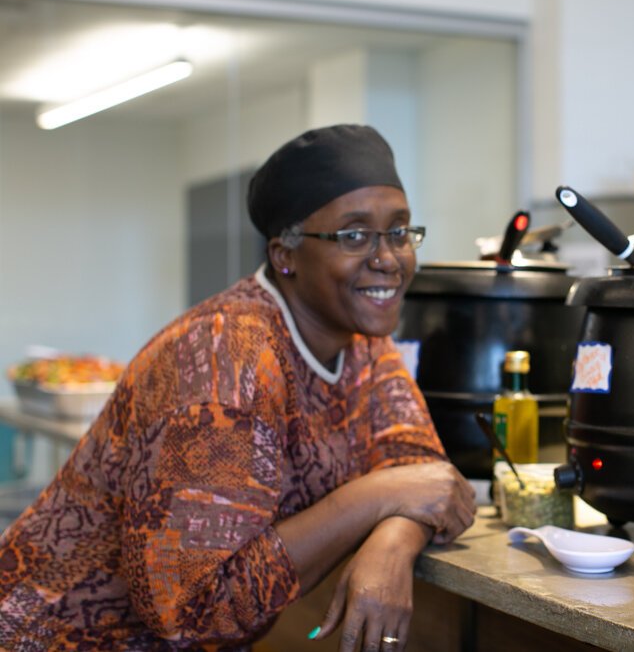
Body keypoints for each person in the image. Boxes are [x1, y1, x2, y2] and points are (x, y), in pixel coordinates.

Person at [0, 124, 477, 650]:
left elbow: (423, 474)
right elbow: (187, 612)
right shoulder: (224, 363)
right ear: (284, 255)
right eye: (354, 235)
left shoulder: (360, 338)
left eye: (399, 230)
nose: (388, 257)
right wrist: (374, 497)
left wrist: (392, 542)